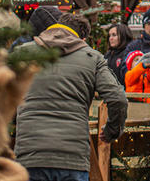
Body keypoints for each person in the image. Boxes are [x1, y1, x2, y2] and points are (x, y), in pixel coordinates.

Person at [15, 13, 128, 181]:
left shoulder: (22, 53)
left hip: (31, 153)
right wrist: (112, 131)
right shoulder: (92, 58)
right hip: (72, 157)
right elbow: (117, 98)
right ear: (82, 38)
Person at [122, 7, 150, 92]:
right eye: (148, 23)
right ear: (144, 26)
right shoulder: (134, 46)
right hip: (143, 98)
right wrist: (145, 65)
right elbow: (125, 72)